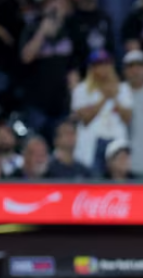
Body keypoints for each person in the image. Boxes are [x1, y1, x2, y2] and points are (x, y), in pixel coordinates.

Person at [19, 0, 82, 139]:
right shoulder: (32, 27)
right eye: (51, 3)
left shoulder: (71, 28)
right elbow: (26, 57)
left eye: (60, 3)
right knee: (36, 145)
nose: (56, 7)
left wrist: (75, 103)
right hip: (37, 104)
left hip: (62, 103)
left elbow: (74, 70)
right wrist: (42, 31)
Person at [70, 49, 132, 173]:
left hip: (116, 141)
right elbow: (86, 119)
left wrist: (114, 98)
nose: (103, 68)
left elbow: (127, 118)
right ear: (91, 68)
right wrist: (104, 98)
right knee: (93, 182)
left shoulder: (123, 88)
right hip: (92, 143)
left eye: (106, 64)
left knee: (117, 181)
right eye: (98, 65)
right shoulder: (81, 90)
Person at [68, 0, 115, 76]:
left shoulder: (105, 18)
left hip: (105, 72)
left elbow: (111, 49)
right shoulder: (72, 21)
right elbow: (72, 54)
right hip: (81, 75)